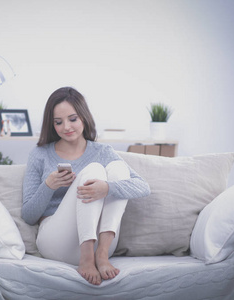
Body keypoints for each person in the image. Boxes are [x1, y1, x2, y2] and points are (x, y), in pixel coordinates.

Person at [22, 87, 150, 286]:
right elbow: (28, 215)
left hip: (102, 243)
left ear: (83, 117)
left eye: (72, 119)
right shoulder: (40, 154)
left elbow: (143, 187)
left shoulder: (102, 151)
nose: (66, 127)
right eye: (58, 122)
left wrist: (107, 188)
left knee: (115, 168)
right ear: (51, 124)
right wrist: (48, 186)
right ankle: (86, 258)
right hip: (57, 240)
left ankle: (100, 255)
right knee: (94, 170)